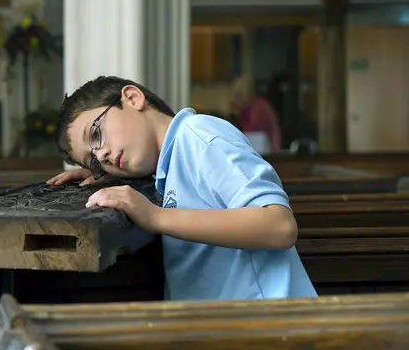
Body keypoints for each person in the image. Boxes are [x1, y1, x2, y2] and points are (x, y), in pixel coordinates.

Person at [46, 76, 317, 301]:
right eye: (94, 161)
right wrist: (107, 178)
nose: (101, 154)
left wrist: (155, 217)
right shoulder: (170, 165)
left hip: (269, 329)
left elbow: (279, 225)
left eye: (95, 135)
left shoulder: (198, 136)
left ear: (132, 98)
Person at [230, 73, 281, 153]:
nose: (234, 99)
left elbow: (251, 131)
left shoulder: (259, 107)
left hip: (269, 151)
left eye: (237, 95)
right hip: (258, 149)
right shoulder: (245, 109)